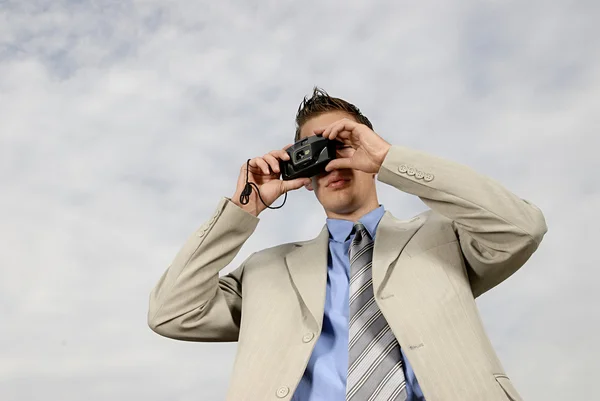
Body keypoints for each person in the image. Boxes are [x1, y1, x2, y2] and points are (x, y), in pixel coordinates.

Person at [148, 87, 547, 401]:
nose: (331, 162)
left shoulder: (446, 236)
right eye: (313, 152)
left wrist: (389, 158)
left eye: (341, 144)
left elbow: (521, 228)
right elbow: (171, 312)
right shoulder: (265, 270)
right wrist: (244, 207)